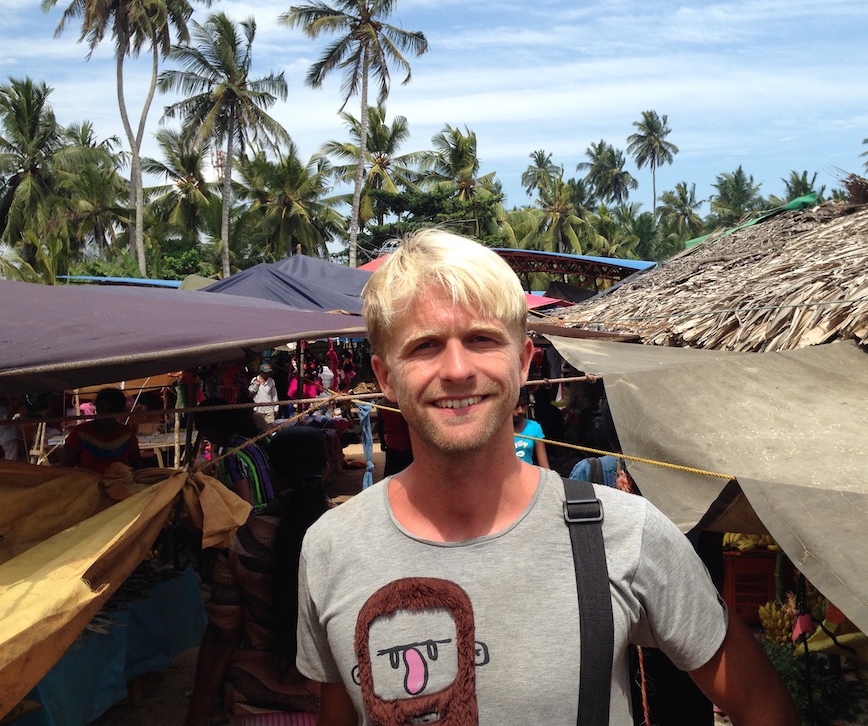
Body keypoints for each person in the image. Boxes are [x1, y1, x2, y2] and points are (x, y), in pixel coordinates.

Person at [295, 228, 798, 726]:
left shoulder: (623, 533)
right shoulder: (331, 549)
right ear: (385, 378)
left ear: (523, 362)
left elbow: (762, 708)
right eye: (424, 346)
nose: (456, 369)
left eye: (481, 339)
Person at [185, 426, 329, 726]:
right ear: (327, 469)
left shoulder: (243, 539)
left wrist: (197, 714)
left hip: (253, 706)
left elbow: (223, 634)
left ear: (273, 474)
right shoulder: (347, 537)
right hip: (331, 705)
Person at [194, 398, 275, 513]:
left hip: (256, 516)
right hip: (273, 507)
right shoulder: (256, 439)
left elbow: (242, 507)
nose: (206, 437)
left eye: (205, 432)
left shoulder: (231, 456)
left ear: (212, 428)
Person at [61, 388, 142, 473]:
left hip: (118, 483)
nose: (104, 414)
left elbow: (138, 468)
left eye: (110, 410)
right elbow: (65, 469)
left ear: (119, 411)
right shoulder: (80, 433)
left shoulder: (126, 434)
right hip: (87, 484)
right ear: (96, 407)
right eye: (101, 408)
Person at [512, 386, 550, 468]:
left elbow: (544, 466)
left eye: (523, 405)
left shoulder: (534, 427)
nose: (520, 411)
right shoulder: (497, 430)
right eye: (516, 406)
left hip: (528, 479)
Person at [376, 396, 413, 477]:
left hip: (394, 444)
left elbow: (379, 425)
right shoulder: (405, 405)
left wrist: (382, 442)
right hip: (406, 444)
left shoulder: (383, 405)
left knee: (391, 474)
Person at [249, 362, 279, 428]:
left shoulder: (271, 381)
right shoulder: (254, 380)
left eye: (268, 373)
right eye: (265, 373)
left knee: (270, 428)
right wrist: (256, 386)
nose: (267, 374)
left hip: (269, 409)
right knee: (259, 428)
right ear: (261, 372)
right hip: (258, 410)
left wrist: (276, 408)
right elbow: (250, 393)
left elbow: (274, 395)